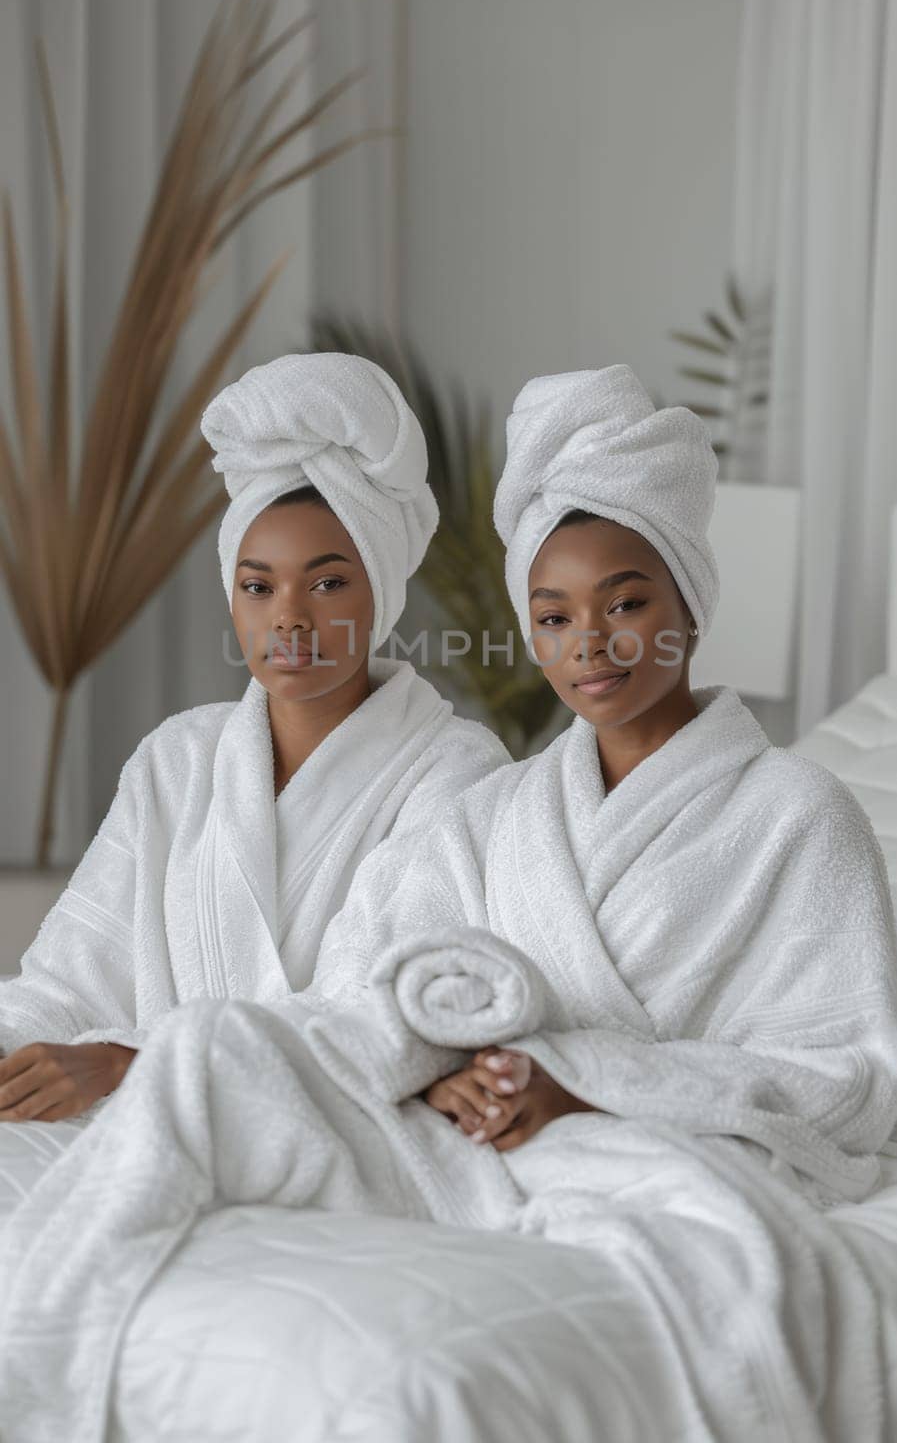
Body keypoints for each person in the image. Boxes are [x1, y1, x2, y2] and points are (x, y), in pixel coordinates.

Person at [3, 366, 896, 1443]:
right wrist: (440, 1067)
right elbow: (376, 986)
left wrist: (581, 1087)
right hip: (473, 1131)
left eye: (627, 603)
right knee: (220, 1061)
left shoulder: (800, 811)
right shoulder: (505, 812)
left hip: (608, 1139)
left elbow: (851, 1075)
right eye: (554, 614)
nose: (593, 644)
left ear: (689, 603)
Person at [0, 352, 509, 1126]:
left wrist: (131, 1064)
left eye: (329, 582)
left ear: (382, 590)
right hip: (143, 1119)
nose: (289, 618)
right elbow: (68, 983)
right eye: (258, 585)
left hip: (339, 1132)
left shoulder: (459, 774)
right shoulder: (177, 761)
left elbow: (388, 1025)